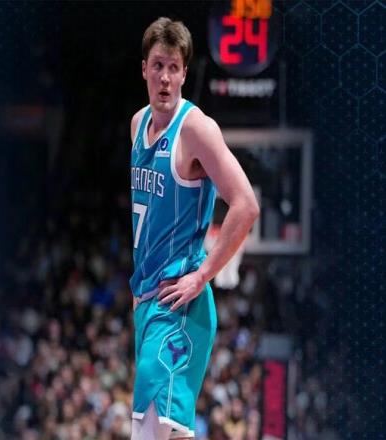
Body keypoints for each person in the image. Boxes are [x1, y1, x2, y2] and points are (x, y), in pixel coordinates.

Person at [129, 17, 259, 440]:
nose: (165, 78)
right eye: (158, 65)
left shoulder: (197, 129)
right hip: (148, 301)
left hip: (179, 303)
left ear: (185, 73)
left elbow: (246, 205)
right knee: (172, 433)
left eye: (174, 68)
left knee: (147, 432)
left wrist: (203, 275)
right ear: (144, 69)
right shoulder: (137, 125)